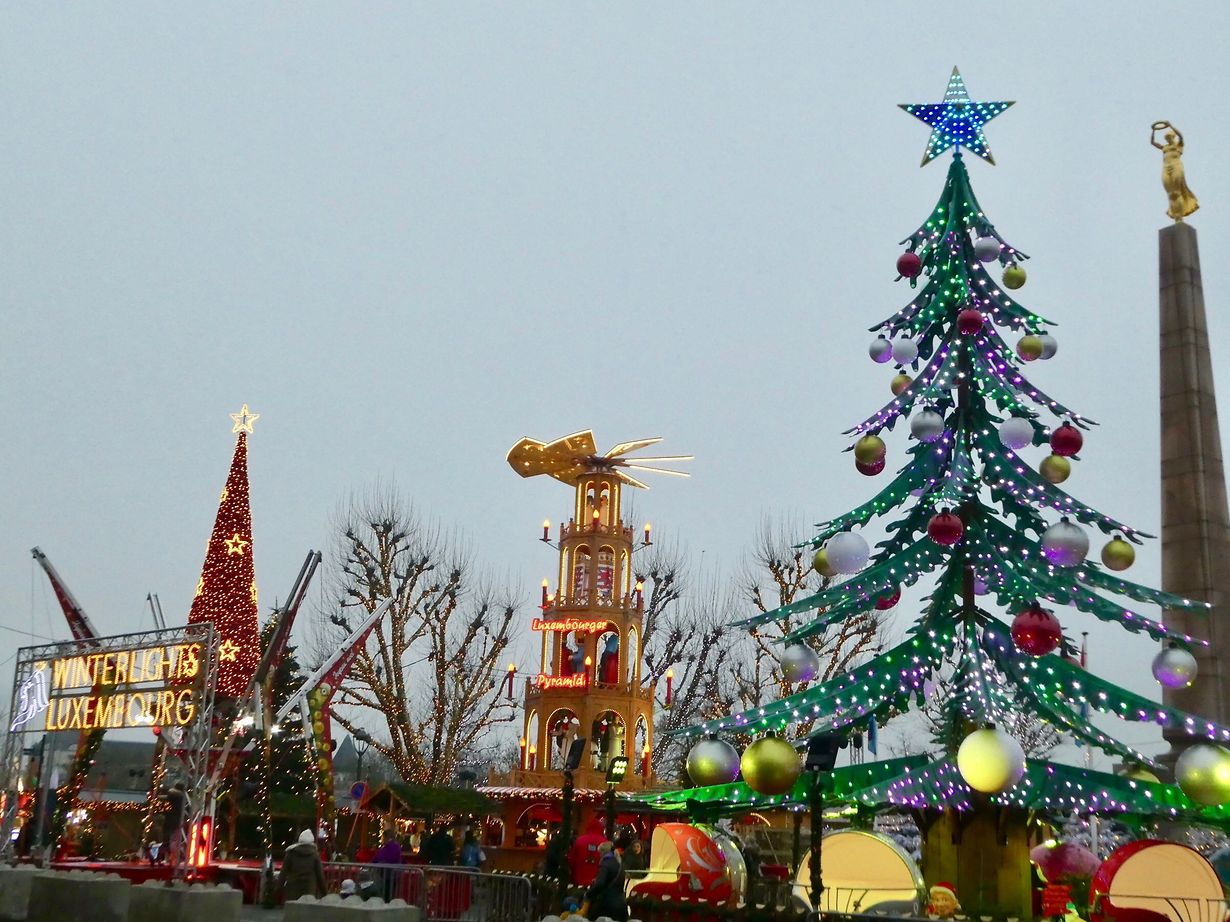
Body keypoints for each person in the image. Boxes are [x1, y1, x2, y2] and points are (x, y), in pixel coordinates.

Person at [583, 841, 628, 922]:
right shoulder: (619, 863)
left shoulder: (605, 864)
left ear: (603, 852)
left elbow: (600, 884)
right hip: (621, 904)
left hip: (607, 905)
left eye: (600, 853)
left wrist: (588, 894)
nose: (599, 855)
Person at [278, 829, 328, 902]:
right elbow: (320, 876)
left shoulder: (291, 853)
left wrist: (278, 890)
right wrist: (325, 894)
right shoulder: (315, 855)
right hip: (309, 891)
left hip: (292, 890)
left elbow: (283, 873)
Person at [160, 782, 189, 867]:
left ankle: (168, 858)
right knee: (175, 840)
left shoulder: (170, 796)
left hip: (168, 820)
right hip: (177, 820)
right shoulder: (182, 798)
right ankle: (175, 858)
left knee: (168, 839)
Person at [373, 830, 404, 901]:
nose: (382, 839)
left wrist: (378, 863)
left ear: (387, 837)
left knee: (387, 895)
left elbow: (386, 858)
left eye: (383, 837)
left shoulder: (392, 847)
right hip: (386, 874)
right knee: (385, 894)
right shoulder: (388, 847)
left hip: (389, 875)